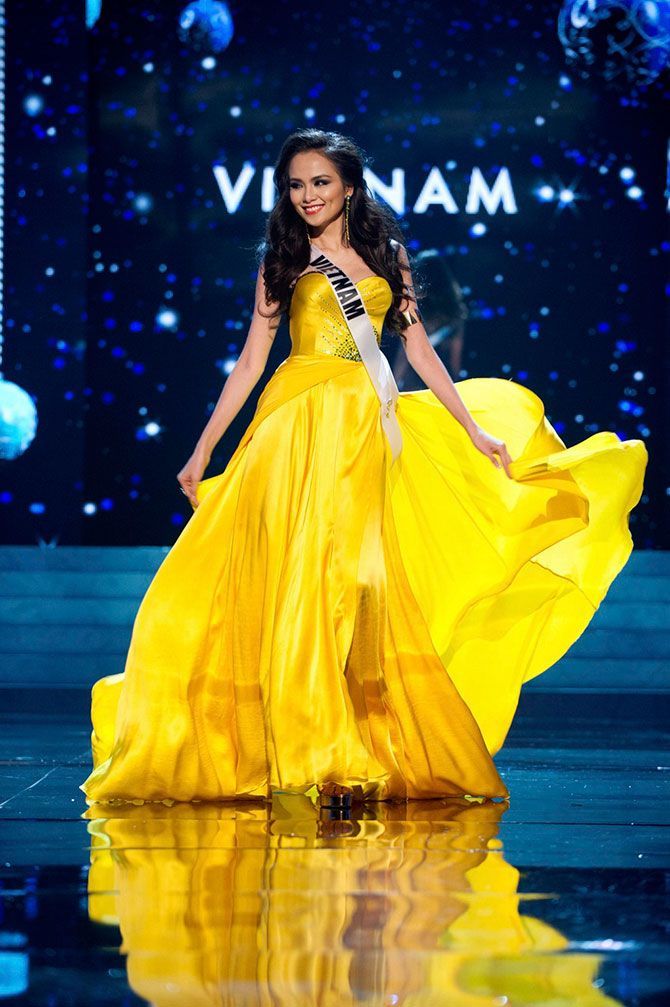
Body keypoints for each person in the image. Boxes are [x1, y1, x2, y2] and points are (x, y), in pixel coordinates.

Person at [80, 128, 647, 809]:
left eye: (319, 181)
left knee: (353, 579)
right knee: (292, 579)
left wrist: (473, 428)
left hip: (360, 431)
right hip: (290, 430)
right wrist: (204, 448)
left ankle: (343, 740)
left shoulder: (388, 256)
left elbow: (422, 351)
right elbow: (251, 361)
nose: (307, 195)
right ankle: (307, 749)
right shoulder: (282, 258)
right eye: (295, 184)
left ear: (348, 184)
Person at [392, 248, 468, 389]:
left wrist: (394, 387)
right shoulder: (456, 313)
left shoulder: (411, 307)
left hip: (415, 381)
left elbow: (403, 352)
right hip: (441, 382)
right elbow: (455, 358)